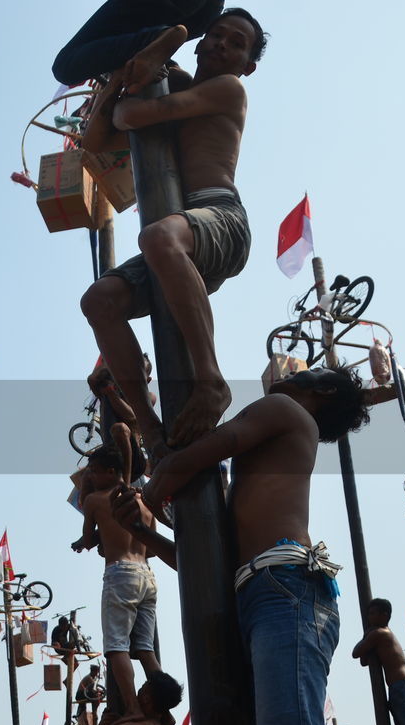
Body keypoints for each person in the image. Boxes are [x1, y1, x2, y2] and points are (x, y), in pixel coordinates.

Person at [112, 366, 371, 725]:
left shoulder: (285, 409)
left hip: (286, 589)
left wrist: (151, 474)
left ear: (322, 390)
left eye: (307, 368)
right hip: (262, 592)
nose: (289, 367)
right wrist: (147, 532)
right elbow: (211, 561)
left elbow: (196, 454)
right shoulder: (270, 449)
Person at [80, 9, 267, 452]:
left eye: (236, 43)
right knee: (99, 301)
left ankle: (211, 380)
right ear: (198, 45)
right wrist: (119, 78)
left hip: (219, 218)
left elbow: (133, 117)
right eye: (217, 35)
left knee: (158, 237)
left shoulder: (228, 89)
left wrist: (130, 93)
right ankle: (149, 425)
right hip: (179, 237)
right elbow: (95, 141)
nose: (222, 44)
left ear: (248, 65)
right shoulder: (173, 82)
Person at [72, 444, 166, 719]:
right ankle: (163, 709)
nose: (91, 477)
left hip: (119, 573)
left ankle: (133, 709)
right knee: (146, 650)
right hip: (146, 574)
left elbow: (89, 539)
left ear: (110, 472)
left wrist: (94, 535)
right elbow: (152, 547)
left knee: (116, 648)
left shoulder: (95, 500)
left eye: (94, 472)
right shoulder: (144, 501)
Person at [52, 0, 224, 87]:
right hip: (205, 13)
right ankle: (163, 60)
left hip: (164, 16)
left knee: (65, 66)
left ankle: (155, 39)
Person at [352, 598, 405, 725]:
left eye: (372, 614)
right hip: (398, 687)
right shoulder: (378, 635)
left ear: (385, 615)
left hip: (402, 687)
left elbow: (356, 653)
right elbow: (364, 660)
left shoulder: (380, 633)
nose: (369, 618)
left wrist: (367, 634)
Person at [88, 356, 155, 483]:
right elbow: (92, 379)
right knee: (88, 471)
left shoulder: (148, 397)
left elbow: (132, 417)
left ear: (147, 380)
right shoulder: (106, 391)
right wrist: (108, 363)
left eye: (138, 374)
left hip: (133, 460)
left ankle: (126, 483)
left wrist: (112, 394)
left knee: (119, 429)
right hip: (111, 455)